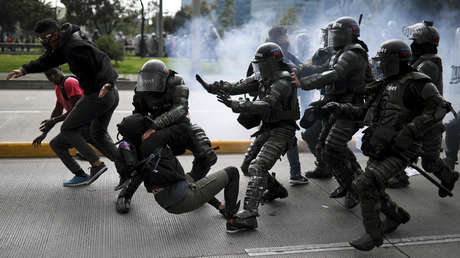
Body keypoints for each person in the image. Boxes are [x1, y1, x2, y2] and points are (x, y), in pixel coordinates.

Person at [323, 39, 457, 251]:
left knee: (365, 184)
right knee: (371, 186)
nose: (380, 66)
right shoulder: (382, 85)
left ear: (395, 62)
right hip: (380, 144)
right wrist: (340, 108)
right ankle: (396, 216)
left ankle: (373, 235)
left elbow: (440, 109)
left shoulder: (418, 83)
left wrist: (410, 132)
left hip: (402, 149)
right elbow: (366, 114)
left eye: (383, 61)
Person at [6, 19, 120, 185]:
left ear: (54, 35)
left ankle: (96, 164)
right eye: (40, 39)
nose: (43, 42)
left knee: (68, 128)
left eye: (43, 38)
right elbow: (45, 60)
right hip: (104, 94)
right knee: (98, 134)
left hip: (101, 93)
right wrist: (24, 69)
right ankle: (129, 170)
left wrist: (108, 82)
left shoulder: (74, 47)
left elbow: (104, 60)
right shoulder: (63, 48)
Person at [201, 42, 299, 232]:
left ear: (273, 63)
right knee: (247, 166)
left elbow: (266, 104)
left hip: (283, 130)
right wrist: (213, 87)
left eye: (263, 64)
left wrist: (237, 106)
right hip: (267, 127)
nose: (259, 68)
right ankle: (277, 189)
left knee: (257, 166)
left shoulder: (282, 81)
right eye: (258, 64)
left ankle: (250, 215)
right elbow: (238, 85)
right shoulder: (263, 76)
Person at [115, 59, 223, 213]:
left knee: (207, 155)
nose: (149, 84)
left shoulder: (177, 83)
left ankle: (193, 184)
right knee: (140, 157)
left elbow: (180, 109)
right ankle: (125, 194)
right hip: (155, 130)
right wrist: (136, 134)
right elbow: (139, 114)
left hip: (178, 127)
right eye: (147, 81)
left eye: (154, 81)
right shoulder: (140, 90)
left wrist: (155, 125)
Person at [291, 17, 370, 209]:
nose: (334, 37)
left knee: (334, 146)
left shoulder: (353, 53)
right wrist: (301, 70)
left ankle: (357, 187)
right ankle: (349, 183)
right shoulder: (340, 52)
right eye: (333, 33)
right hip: (335, 104)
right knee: (325, 149)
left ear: (351, 34)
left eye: (339, 33)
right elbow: (324, 68)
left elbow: (334, 74)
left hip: (351, 106)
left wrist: (306, 83)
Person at [116, 142, 241, 229]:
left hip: (167, 199)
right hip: (183, 198)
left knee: (196, 178)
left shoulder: (140, 154)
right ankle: (232, 220)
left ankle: (221, 207)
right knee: (232, 172)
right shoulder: (160, 142)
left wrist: (218, 205)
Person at [387, 20, 449, 188]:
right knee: (398, 145)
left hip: (428, 120)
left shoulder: (427, 65)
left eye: (415, 41)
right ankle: (398, 175)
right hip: (419, 116)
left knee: (429, 162)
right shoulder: (421, 61)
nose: (412, 44)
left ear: (424, 44)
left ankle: (449, 177)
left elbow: (410, 84)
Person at [250, 25, 308, 185]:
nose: (288, 39)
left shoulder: (269, 51)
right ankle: (294, 174)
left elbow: (297, 64)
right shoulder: (276, 54)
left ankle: (251, 166)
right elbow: (293, 67)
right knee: (286, 136)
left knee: (264, 135)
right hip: (278, 102)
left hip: (271, 101)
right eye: (285, 36)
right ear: (280, 37)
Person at [32, 67, 92, 186]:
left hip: (86, 125)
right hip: (80, 125)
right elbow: (58, 109)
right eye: (49, 75)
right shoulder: (59, 87)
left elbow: (77, 109)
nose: (52, 77)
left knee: (57, 144)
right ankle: (83, 174)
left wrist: (54, 120)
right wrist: (45, 133)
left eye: (54, 73)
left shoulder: (70, 82)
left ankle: (83, 174)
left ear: (60, 69)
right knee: (107, 150)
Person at [299, 22, 334, 179]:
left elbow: (327, 73)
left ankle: (350, 180)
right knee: (311, 135)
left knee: (333, 144)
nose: (325, 37)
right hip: (328, 102)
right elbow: (312, 66)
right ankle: (323, 166)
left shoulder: (346, 54)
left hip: (342, 105)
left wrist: (304, 79)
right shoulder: (328, 52)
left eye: (328, 34)